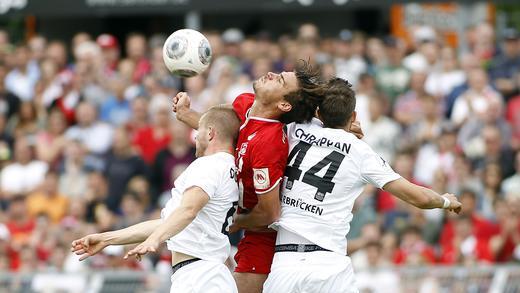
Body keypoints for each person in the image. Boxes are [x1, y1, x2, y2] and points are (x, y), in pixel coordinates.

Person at [263, 78, 462, 293]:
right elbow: (420, 198)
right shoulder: (360, 152)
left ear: (318, 113)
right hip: (330, 266)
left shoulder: (293, 129)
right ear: (353, 117)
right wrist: (445, 201)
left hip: (285, 263)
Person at [173, 61, 326, 293]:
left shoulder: (270, 143)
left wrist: (234, 222)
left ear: (284, 104)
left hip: (265, 236)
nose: (272, 74)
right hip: (244, 227)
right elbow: (220, 131)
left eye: (280, 80)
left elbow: (270, 213)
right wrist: (186, 115)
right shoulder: (246, 104)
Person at [71, 106, 240, 293]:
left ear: (210, 133)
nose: (195, 136)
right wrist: (106, 239)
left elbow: (188, 211)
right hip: (206, 274)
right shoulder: (227, 167)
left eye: (198, 130)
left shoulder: (209, 165)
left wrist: (155, 239)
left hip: (200, 276)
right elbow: (169, 222)